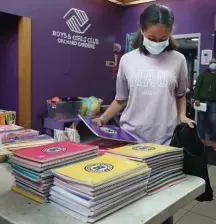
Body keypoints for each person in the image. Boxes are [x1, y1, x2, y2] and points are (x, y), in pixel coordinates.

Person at [93, 4, 194, 224]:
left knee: (162, 201)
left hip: (165, 140)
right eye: (152, 37)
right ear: (141, 30)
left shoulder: (178, 60)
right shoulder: (128, 60)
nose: (157, 43)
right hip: (130, 139)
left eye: (163, 39)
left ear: (170, 34)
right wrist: (102, 119)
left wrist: (183, 116)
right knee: (129, 198)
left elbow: (180, 95)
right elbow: (121, 99)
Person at [194, 58, 216, 145]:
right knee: (200, 121)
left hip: (213, 102)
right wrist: (196, 98)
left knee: (214, 121)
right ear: (209, 64)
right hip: (201, 102)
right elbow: (197, 87)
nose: (212, 64)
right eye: (211, 62)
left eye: (214, 63)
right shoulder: (202, 75)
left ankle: (213, 139)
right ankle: (201, 138)